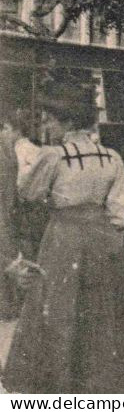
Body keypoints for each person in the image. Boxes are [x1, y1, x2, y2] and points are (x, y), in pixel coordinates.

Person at [1, 92, 124, 393]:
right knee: (102, 308)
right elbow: (119, 209)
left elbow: (29, 193)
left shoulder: (53, 156)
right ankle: (101, 380)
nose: (47, 128)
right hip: (103, 237)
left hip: (64, 235)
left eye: (50, 121)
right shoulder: (111, 156)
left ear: (66, 123)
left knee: (58, 304)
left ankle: (58, 380)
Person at [0, 110, 22, 321]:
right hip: (2, 211)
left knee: (5, 253)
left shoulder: (9, 152)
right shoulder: (4, 152)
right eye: (12, 131)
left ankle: (7, 305)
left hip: (6, 210)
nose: (15, 136)